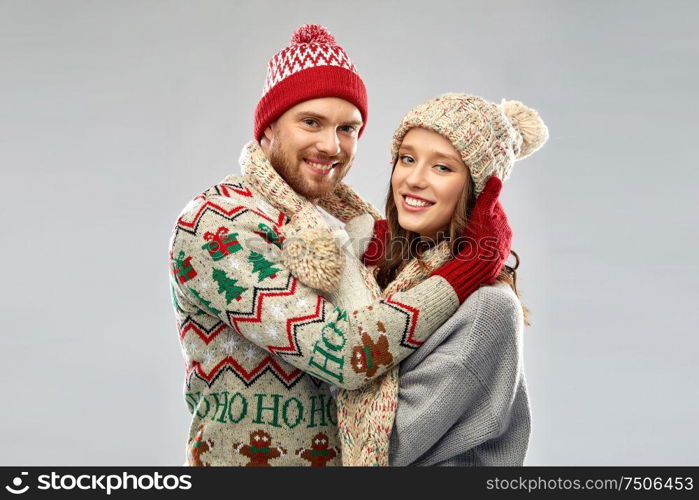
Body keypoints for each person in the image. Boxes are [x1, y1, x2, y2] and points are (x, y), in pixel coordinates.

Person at [168, 26, 512, 466]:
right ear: (269, 126)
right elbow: (347, 354)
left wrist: (450, 237)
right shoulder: (217, 222)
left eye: (348, 128)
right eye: (311, 122)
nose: (331, 146)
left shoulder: (335, 224)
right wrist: (467, 269)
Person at [311, 93, 548, 465]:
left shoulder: (488, 308)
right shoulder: (376, 267)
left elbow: (389, 445)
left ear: (479, 191)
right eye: (407, 159)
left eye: (442, 168)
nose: (414, 180)